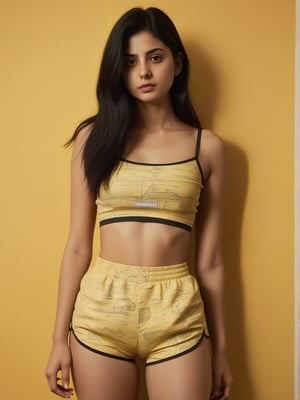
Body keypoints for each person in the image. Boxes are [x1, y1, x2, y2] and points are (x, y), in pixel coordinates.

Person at [45, 6, 233, 400]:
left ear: (177, 63)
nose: (143, 72)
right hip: (101, 310)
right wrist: (58, 338)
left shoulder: (207, 148)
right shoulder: (93, 138)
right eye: (130, 62)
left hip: (178, 311)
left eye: (155, 57)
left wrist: (222, 351)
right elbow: (78, 245)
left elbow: (211, 261)